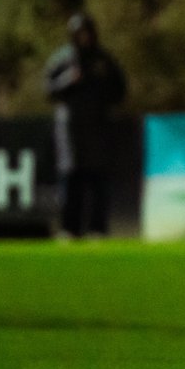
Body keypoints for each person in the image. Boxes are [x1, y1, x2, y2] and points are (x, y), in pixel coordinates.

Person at [44, 12, 128, 238]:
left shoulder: (103, 60)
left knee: (97, 178)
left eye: (86, 33)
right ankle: (69, 228)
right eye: (78, 34)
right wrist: (68, 80)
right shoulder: (62, 59)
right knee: (71, 178)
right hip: (70, 128)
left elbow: (120, 91)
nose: (83, 38)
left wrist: (100, 89)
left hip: (98, 126)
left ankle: (97, 229)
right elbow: (48, 91)